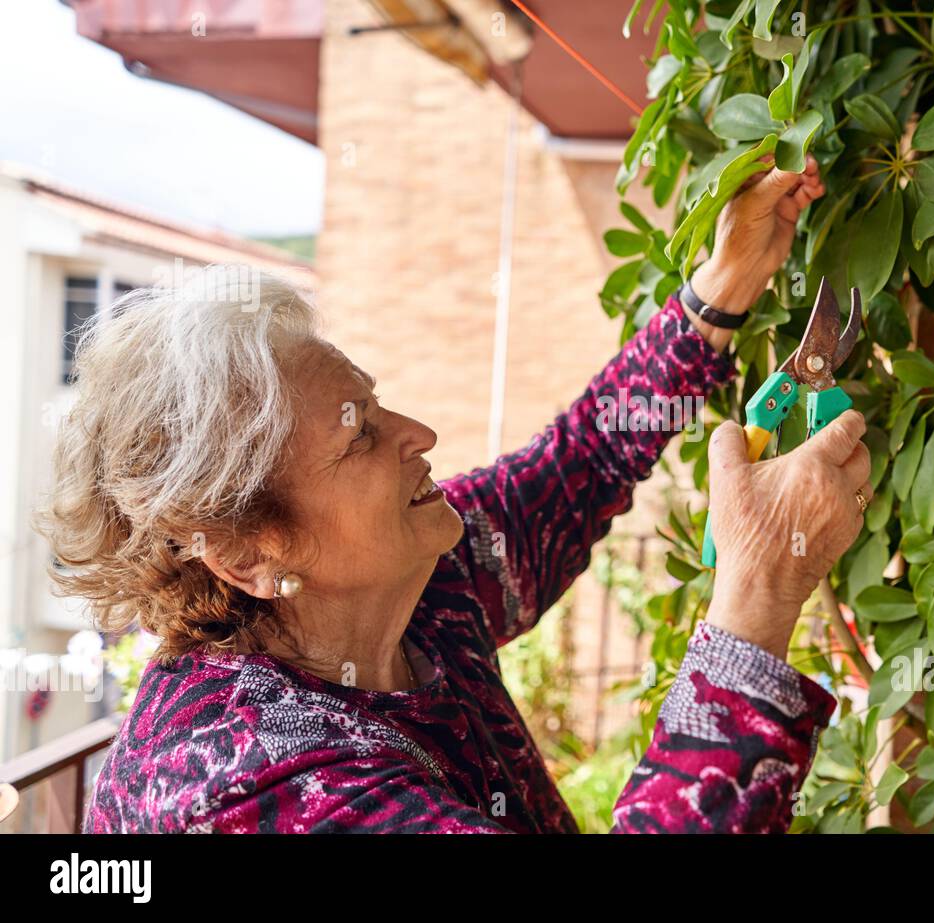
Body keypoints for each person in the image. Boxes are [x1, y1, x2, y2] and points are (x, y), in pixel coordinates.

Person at [35, 155, 872, 833]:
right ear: (248, 548)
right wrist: (759, 586)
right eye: (358, 431)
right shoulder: (245, 784)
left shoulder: (420, 583)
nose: (419, 432)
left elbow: (580, 461)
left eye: (376, 397)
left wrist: (719, 289)